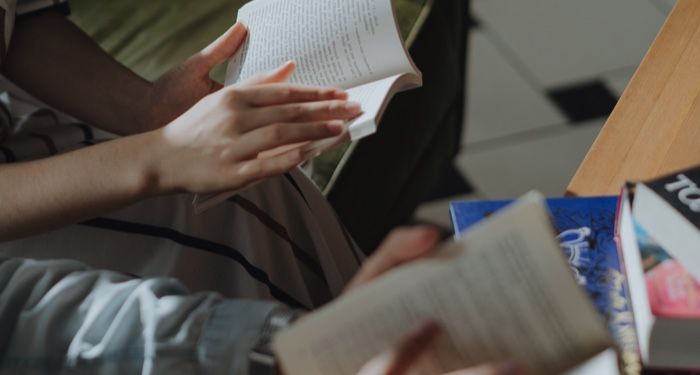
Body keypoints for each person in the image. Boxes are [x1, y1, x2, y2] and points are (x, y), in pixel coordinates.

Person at [0, 1, 520, 374]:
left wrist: (143, 111)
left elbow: (18, 18)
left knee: (259, 178)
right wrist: (158, 156)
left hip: (34, 125)